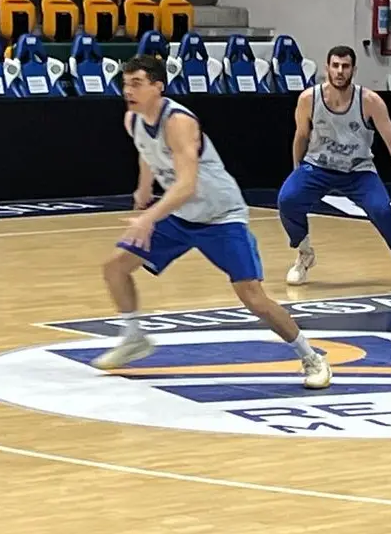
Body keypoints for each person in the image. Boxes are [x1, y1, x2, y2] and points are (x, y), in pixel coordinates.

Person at [95, 53, 332, 389]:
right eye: (125, 83)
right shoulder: (132, 120)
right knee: (115, 267)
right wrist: (143, 188)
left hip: (221, 216)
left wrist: (148, 217)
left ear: (158, 87)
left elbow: (187, 184)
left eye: (136, 83)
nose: (128, 90)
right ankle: (134, 336)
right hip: (180, 214)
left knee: (253, 297)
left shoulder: (179, 122)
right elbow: (146, 151)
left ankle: (311, 357)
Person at [277, 45, 391, 290]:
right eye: (335, 65)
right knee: (288, 199)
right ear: (327, 68)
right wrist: (297, 170)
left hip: (358, 171)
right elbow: (301, 136)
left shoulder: (369, 101)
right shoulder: (308, 99)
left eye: (345, 66)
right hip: (318, 167)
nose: (340, 71)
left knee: (382, 211)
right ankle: (304, 254)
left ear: (353, 70)